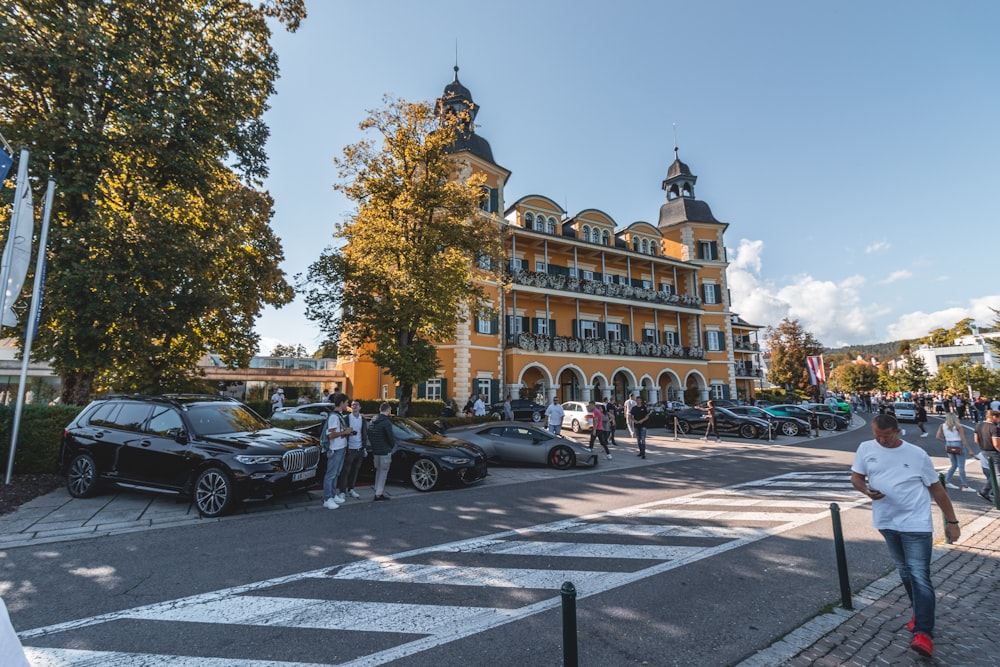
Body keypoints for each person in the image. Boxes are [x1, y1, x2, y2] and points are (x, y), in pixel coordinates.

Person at [850, 414, 960, 658]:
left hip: (916, 523)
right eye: (877, 435)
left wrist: (952, 522)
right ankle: (919, 612)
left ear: (898, 432)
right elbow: (856, 477)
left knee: (920, 574)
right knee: (904, 572)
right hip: (887, 522)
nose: (881, 440)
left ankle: (923, 632)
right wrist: (866, 490)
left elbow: (937, 489)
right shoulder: (866, 448)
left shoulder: (916, 455)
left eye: (886, 436)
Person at [322, 393, 353, 510]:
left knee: (336, 473)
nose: (347, 405)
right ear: (341, 403)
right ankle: (327, 498)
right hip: (335, 449)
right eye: (346, 403)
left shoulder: (338, 415)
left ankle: (333, 495)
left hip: (340, 447)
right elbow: (331, 435)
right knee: (331, 474)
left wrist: (346, 431)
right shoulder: (334, 417)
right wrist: (345, 432)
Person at [336, 400, 369, 502]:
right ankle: (342, 491)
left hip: (359, 448)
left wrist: (364, 447)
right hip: (349, 448)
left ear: (360, 407)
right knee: (345, 471)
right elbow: (342, 432)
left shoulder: (362, 419)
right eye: (352, 405)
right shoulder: (347, 418)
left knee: (355, 470)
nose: (354, 406)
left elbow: (364, 433)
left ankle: (351, 489)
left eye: (356, 405)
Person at [937, 412, 974, 491]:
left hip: (948, 445)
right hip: (958, 444)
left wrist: (945, 440)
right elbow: (963, 439)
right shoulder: (958, 427)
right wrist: (970, 450)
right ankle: (964, 485)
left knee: (954, 464)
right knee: (961, 466)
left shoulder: (942, 426)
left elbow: (937, 436)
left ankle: (946, 480)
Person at [367, 402, 396, 501]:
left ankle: (376, 489)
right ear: (387, 410)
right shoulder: (386, 422)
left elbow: (369, 434)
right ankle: (379, 493)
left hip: (376, 450)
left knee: (378, 470)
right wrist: (392, 446)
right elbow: (390, 437)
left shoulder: (372, 421)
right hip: (385, 450)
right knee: (383, 472)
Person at [973, 409, 1000, 503]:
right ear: (993, 417)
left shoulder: (979, 426)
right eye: (998, 418)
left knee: (993, 473)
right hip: (994, 452)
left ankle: (985, 491)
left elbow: (976, 440)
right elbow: (996, 444)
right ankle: (987, 491)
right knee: (998, 474)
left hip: (984, 451)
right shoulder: (994, 428)